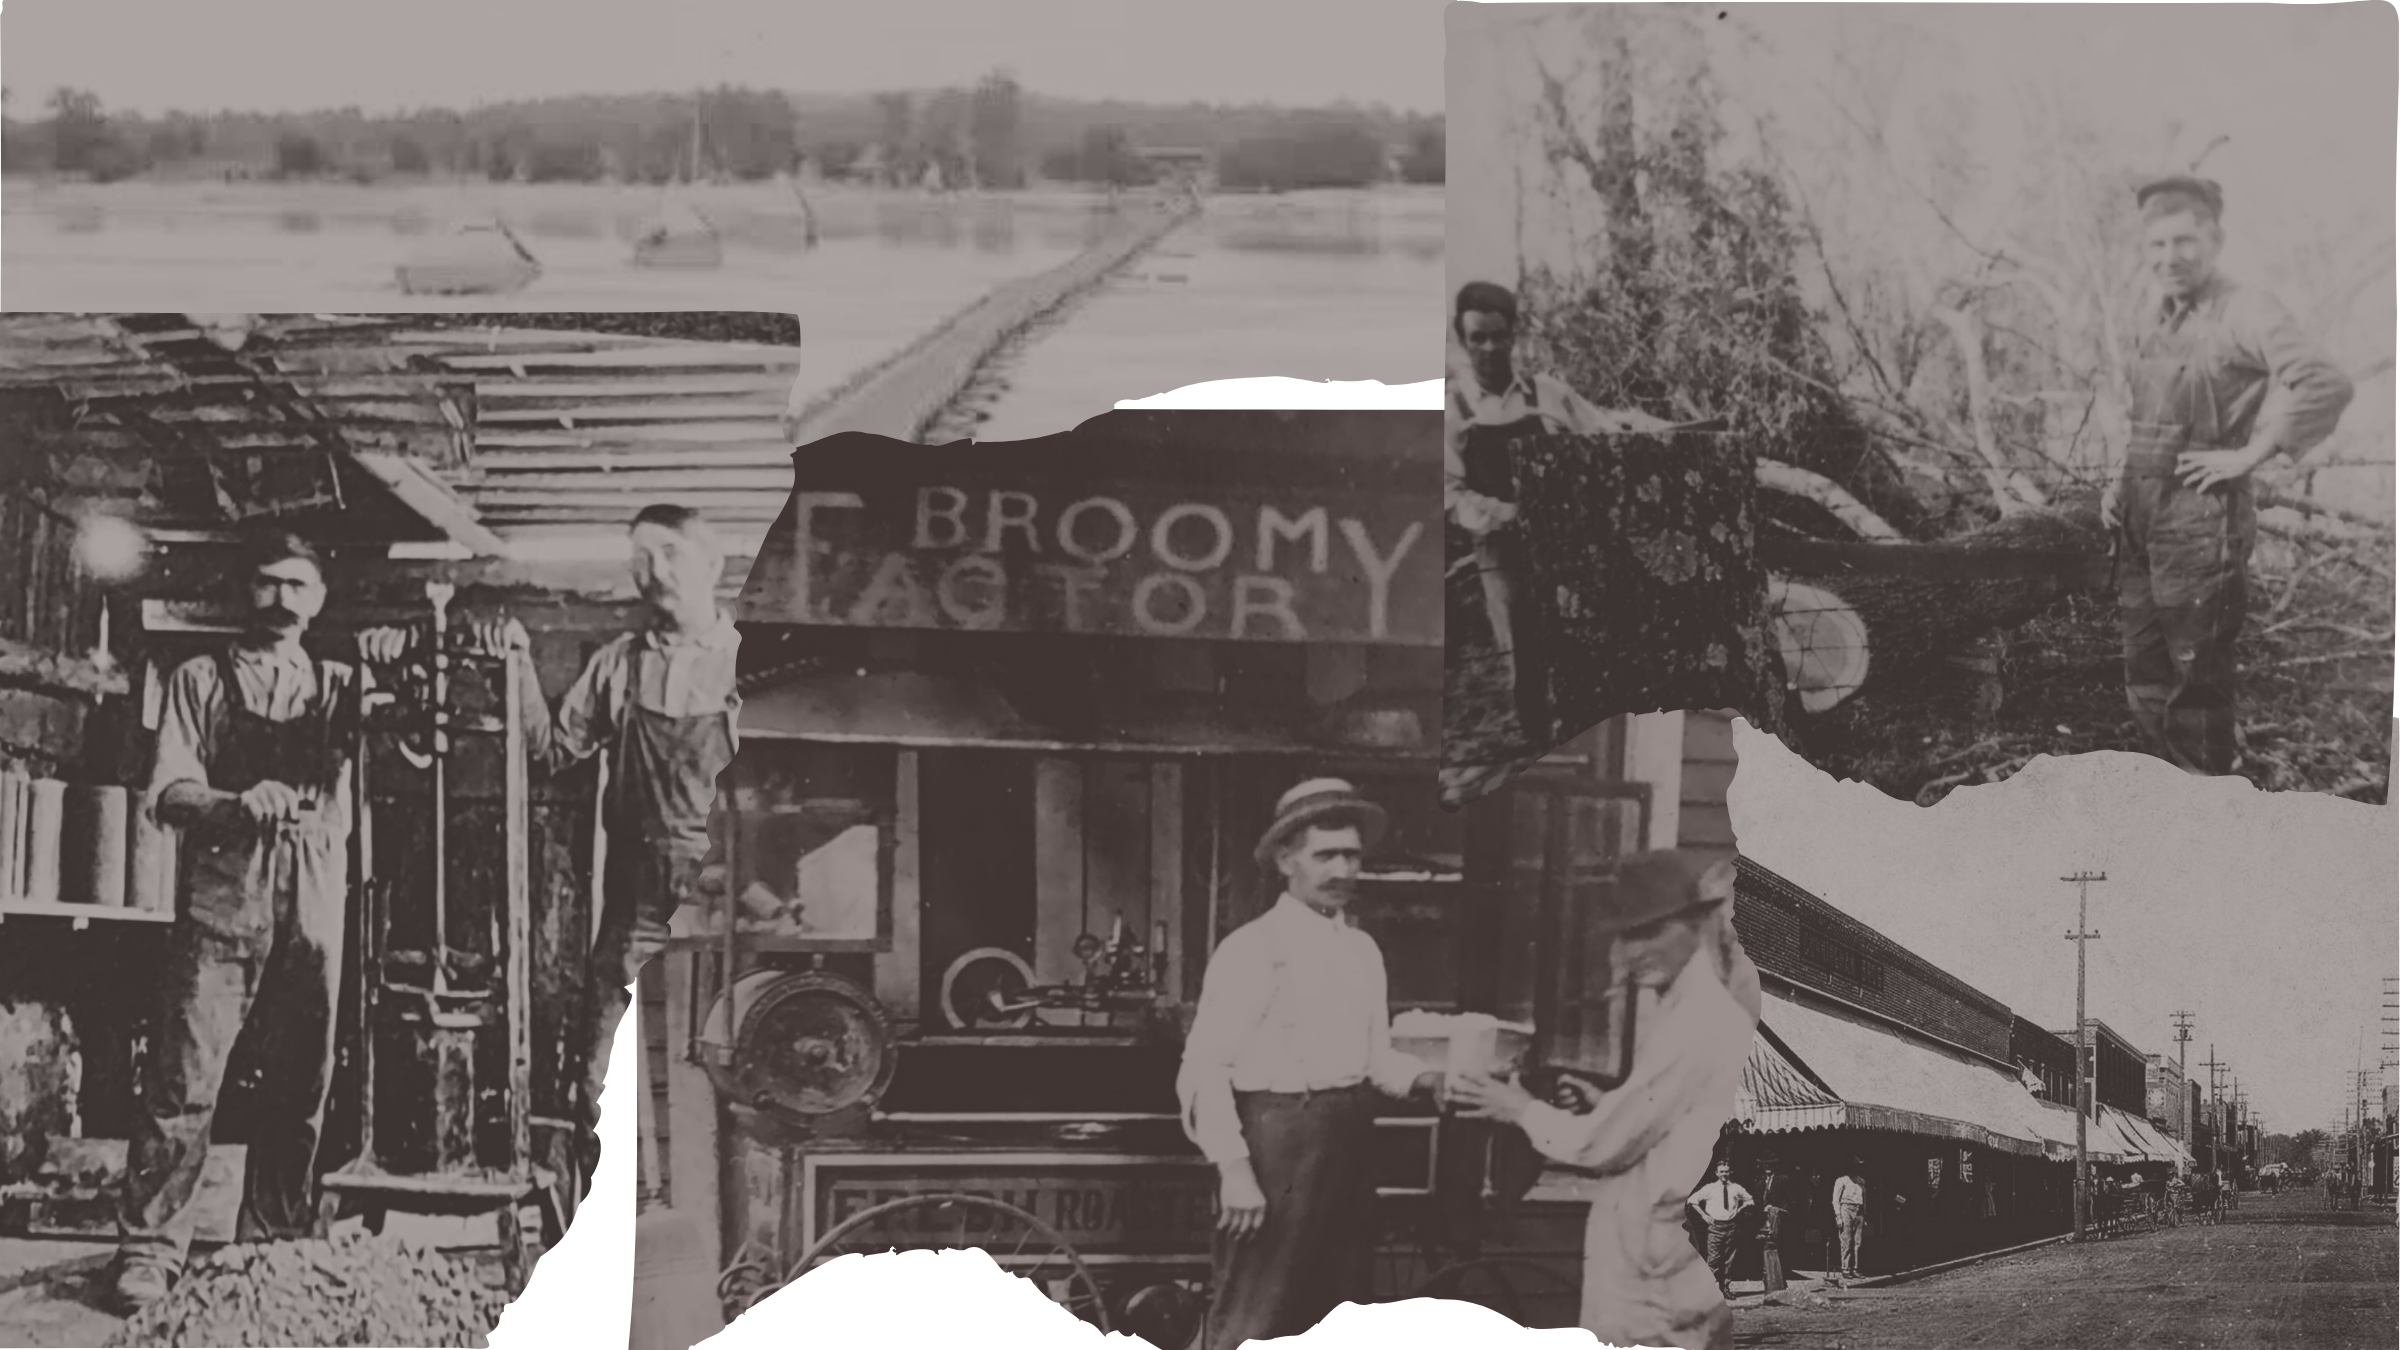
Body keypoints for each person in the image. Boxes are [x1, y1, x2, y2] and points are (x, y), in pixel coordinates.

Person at [363, 503, 741, 1173]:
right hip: (636, 919)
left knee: (726, 1096)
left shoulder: (751, 669)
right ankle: (613, 1254)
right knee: (602, 1092)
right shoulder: (618, 665)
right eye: (640, 560)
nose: (654, 573)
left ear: (711, 563)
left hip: (727, 921)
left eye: (670, 555)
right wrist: (519, 665)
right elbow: (551, 753)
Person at [112, 528, 372, 1312]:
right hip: (225, 897)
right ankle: (151, 1249)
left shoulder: (342, 686)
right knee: (186, 1080)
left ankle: (274, 1239)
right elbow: (168, 793)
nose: (282, 598)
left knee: (302, 1083)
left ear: (319, 597)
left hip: (318, 899)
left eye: (298, 584)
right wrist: (235, 801)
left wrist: (392, 661)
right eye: (267, 582)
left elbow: (413, 747)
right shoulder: (198, 677)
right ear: (244, 591)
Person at [1450, 850, 1763, 1350]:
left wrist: (1515, 1107)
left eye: (1650, 932)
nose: (1633, 951)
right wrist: (1609, 1101)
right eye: (1626, 934)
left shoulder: (1699, 1021)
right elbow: (1656, 1117)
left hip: (1659, 1267)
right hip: (1664, 1251)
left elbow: (1602, 1146)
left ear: (1694, 927)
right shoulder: (1683, 1009)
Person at [1177, 778, 1444, 1350]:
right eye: (1326, 855)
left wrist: (1426, 1077)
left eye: (1351, 855)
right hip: (1276, 1151)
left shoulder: (1362, 951)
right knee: (1254, 1315)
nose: (1343, 869)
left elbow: (1375, 1058)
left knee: (1338, 1317)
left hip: (1348, 1144)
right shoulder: (1252, 950)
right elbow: (1204, 1066)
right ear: (1285, 859)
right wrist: (1236, 1171)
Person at [2101, 175, 2354, 776]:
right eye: (2156, 245)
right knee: (2145, 673)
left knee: (2197, 686)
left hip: (2200, 524)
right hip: (2138, 518)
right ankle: (2162, 806)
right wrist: (2119, 479)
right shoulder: (2151, 319)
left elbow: (2326, 381)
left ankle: (2205, 824)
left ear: (2216, 239)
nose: (2170, 258)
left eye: (2185, 241)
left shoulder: (2247, 309)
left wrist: (2252, 454)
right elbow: (2142, 415)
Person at [1446, 281, 1677, 746]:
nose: (1490, 348)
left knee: (1585, 641)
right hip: (1501, 547)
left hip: (1565, 541)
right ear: (1462, 340)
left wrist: (1653, 436)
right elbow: (1449, 493)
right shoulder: (1452, 409)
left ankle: (1591, 742)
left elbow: (1606, 438)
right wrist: (1503, 514)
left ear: (1514, 335)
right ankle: (1537, 746)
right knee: (1522, 651)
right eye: (1478, 338)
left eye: (1498, 335)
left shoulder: (1549, 394)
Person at [1758, 1162, 1795, 1294]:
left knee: (1780, 1251)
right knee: (1766, 1249)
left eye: (1770, 1165)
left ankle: (1781, 1281)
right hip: (1765, 1221)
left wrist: (1777, 1209)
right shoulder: (1761, 1183)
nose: (1767, 1167)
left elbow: (1790, 1200)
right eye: (1765, 1165)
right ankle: (1769, 1282)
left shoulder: (1783, 1180)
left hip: (1780, 1220)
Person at [1832, 1162, 1868, 1282]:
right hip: (1845, 1209)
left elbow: (1864, 1199)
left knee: (1858, 1242)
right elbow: (1835, 1199)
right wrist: (1838, 1216)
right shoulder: (1842, 1180)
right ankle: (1846, 1268)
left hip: (1859, 1210)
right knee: (1846, 1240)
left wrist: (1864, 1216)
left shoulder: (1861, 1181)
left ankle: (1856, 1268)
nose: (1855, 1168)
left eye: (1858, 1166)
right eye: (1854, 1166)